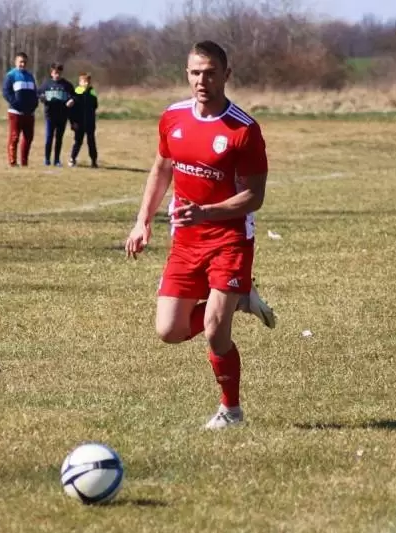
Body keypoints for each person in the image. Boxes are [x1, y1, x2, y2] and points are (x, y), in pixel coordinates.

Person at [124, 40, 276, 430]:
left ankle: (231, 411)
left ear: (226, 75)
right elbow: (161, 169)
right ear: (187, 74)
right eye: (195, 73)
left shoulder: (244, 130)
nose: (201, 81)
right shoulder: (173, 118)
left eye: (210, 73)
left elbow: (254, 196)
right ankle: (238, 299)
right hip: (186, 240)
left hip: (230, 239)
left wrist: (206, 212)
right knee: (169, 330)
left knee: (214, 331)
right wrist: (142, 221)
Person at [2, 52, 38, 167]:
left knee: (28, 138)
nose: (23, 64)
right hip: (15, 112)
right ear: (16, 62)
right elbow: (6, 92)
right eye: (20, 62)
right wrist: (16, 104)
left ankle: (24, 162)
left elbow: (35, 92)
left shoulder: (30, 76)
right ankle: (13, 162)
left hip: (29, 113)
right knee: (14, 137)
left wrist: (34, 104)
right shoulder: (11, 75)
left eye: (25, 62)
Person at [38, 62, 75, 167]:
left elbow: (74, 96)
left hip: (62, 115)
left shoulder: (67, 85)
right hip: (50, 115)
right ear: (51, 73)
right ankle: (47, 159)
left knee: (59, 138)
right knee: (49, 138)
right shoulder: (46, 84)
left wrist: (72, 100)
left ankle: (57, 160)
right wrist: (42, 98)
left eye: (59, 73)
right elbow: (38, 93)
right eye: (55, 73)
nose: (57, 75)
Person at [68, 73, 99, 168]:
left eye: (88, 82)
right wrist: (73, 122)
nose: (86, 83)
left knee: (91, 142)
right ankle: (72, 158)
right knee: (78, 141)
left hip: (90, 122)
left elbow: (95, 105)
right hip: (79, 122)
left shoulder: (92, 91)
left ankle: (94, 161)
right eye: (84, 81)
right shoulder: (77, 91)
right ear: (80, 82)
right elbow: (71, 109)